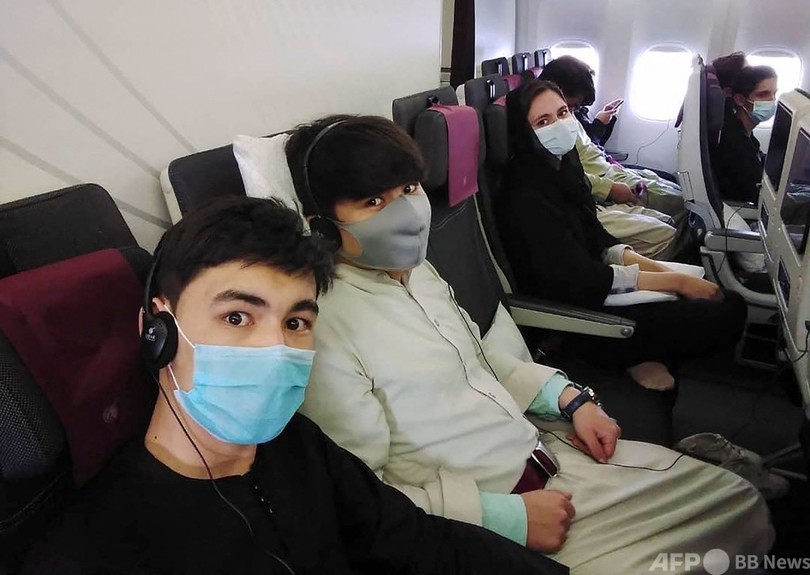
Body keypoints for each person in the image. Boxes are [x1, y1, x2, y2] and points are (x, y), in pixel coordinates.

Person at [284, 114, 772, 575]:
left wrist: (569, 398)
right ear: (323, 224)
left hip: (549, 456)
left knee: (736, 502)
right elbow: (359, 497)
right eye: (374, 202)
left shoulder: (418, 272)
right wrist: (503, 518)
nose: (407, 213)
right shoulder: (323, 327)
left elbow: (477, 362)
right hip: (489, 519)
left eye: (409, 189)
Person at [23, 197, 568, 575]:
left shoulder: (298, 448)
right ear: (156, 331)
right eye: (237, 316)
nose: (275, 347)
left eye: (295, 322)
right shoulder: (94, 550)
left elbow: (418, 543)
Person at [501, 79, 749, 388]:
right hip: (580, 310)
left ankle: (641, 353)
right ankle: (618, 355)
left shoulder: (564, 165)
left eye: (563, 113)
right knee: (729, 311)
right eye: (543, 121)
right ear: (525, 133)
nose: (560, 124)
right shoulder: (525, 196)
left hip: (599, 284)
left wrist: (664, 271)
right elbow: (579, 280)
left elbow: (598, 238)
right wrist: (676, 282)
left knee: (717, 297)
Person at [539, 55, 688, 255]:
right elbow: (563, 174)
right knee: (673, 213)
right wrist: (608, 189)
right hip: (596, 181)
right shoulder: (545, 127)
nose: (571, 112)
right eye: (571, 106)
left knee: (675, 193)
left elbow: (586, 149)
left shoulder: (566, 114)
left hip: (604, 169)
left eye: (572, 108)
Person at [712, 65, 778, 204]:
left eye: (774, 93)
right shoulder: (735, 142)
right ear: (740, 100)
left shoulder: (743, 130)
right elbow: (755, 193)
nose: (772, 100)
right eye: (763, 94)